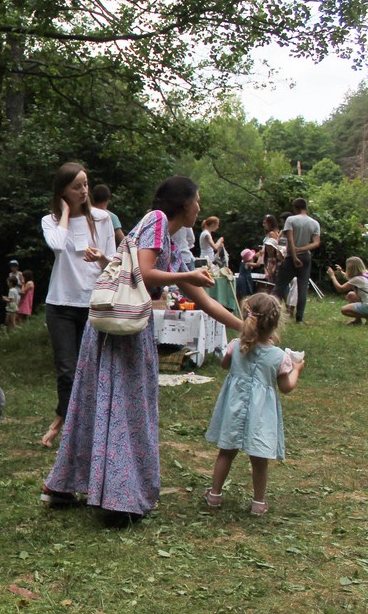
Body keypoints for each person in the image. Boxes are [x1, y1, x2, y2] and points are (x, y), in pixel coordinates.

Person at [40, 176, 244, 521]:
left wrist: (244, 327)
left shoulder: (171, 240)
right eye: (197, 200)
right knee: (124, 409)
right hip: (123, 329)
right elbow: (147, 274)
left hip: (122, 328)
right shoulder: (158, 220)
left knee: (98, 403)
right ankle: (118, 501)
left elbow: (203, 299)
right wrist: (185, 278)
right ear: (183, 202)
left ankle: (65, 487)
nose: (199, 207)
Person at [203, 293, 304, 516]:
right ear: (275, 324)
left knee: (226, 452)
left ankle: (215, 495)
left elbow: (224, 365)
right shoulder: (279, 357)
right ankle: (258, 503)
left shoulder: (236, 346)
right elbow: (286, 387)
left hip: (234, 407)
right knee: (259, 460)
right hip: (261, 413)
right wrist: (296, 369)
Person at [40, 162, 117, 447]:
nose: (84, 190)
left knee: (94, 368)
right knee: (66, 370)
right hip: (60, 303)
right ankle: (71, 427)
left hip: (93, 303)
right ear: (63, 191)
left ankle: (76, 424)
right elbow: (58, 246)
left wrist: (101, 258)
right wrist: (66, 214)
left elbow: (115, 261)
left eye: (86, 184)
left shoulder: (102, 219)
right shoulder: (50, 220)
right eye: (77, 186)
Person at [273, 198, 321, 323]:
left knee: (279, 286)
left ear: (295, 208)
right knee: (302, 288)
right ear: (306, 207)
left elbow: (290, 239)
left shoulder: (291, 220)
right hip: (306, 256)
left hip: (291, 257)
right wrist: (302, 249)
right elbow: (316, 243)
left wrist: (294, 256)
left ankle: (270, 311)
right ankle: (299, 318)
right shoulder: (314, 223)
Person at [326, 257, 368, 325]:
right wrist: (341, 272)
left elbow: (340, 289)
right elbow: (351, 278)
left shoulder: (357, 279)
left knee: (344, 310)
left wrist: (332, 276)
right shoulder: (366, 274)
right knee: (351, 295)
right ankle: (358, 321)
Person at [260, 215, 283, 282]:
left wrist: (271, 266)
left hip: (271, 259)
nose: (263, 225)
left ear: (270, 223)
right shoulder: (270, 233)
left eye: (265, 223)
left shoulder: (272, 233)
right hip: (268, 258)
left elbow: (273, 248)